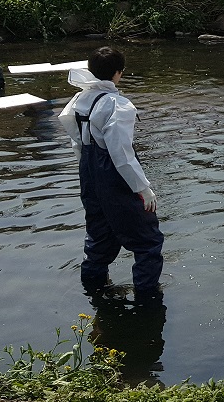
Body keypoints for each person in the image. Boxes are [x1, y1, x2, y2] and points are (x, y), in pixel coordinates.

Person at [58, 47, 164, 301]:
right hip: (113, 172)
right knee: (147, 240)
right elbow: (122, 154)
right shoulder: (119, 105)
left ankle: (93, 289)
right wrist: (143, 188)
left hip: (88, 168)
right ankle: (147, 300)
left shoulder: (80, 99)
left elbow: (71, 130)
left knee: (99, 231)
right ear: (119, 74)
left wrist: (87, 167)